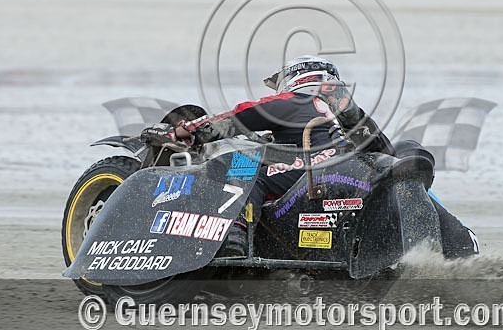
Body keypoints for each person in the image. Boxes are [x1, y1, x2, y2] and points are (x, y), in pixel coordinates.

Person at [140, 55, 479, 259]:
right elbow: (382, 151)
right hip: (363, 173)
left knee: (242, 164)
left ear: (292, 80)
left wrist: (183, 131)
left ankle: (233, 239)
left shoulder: (290, 102)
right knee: (403, 170)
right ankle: (461, 241)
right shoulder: (350, 113)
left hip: (318, 174)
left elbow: (231, 120)